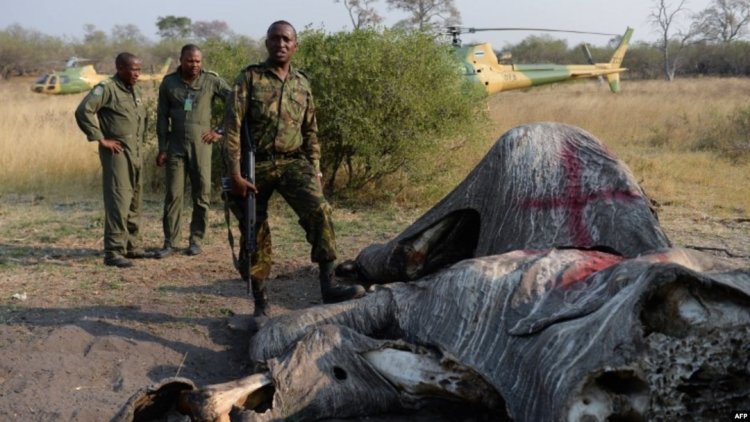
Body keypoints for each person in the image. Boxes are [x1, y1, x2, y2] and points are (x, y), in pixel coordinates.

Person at [223, 20, 365, 316]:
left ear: (295, 45)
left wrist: (315, 168)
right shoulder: (249, 78)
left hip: (292, 161)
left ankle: (329, 286)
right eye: (275, 39)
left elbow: (311, 130)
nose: (281, 44)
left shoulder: (302, 83)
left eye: (287, 39)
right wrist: (235, 175)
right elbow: (232, 129)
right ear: (267, 43)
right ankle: (261, 304)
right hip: (255, 164)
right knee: (255, 228)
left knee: (320, 211)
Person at [155, 44, 232, 258]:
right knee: (173, 195)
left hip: (202, 146)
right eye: (190, 60)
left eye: (198, 61)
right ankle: (170, 242)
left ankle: (196, 240)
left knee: (202, 194)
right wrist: (162, 148)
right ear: (181, 60)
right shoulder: (169, 83)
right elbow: (162, 117)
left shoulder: (211, 80)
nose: (195, 65)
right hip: (175, 147)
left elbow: (235, 102)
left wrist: (220, 130)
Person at [75, 53, 147, 268]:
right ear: (120, 68)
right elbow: (83, 111)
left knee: (135, 198)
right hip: (117, 154)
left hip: (135, 152)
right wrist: (100, 138)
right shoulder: (106, 88)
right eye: (132, 69)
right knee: (119, 201)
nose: (136, 74)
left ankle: (131, 247)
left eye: (139, 70)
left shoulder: (134, 90)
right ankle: (113, 252)